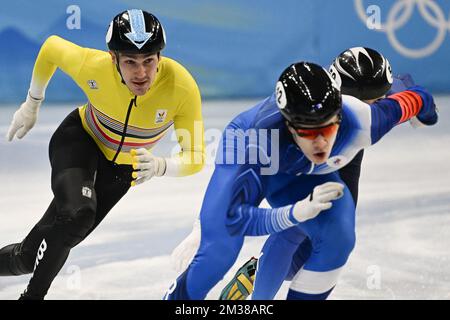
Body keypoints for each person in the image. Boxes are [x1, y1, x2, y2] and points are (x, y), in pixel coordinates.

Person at [164, 61, 437, 300]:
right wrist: (291, 213)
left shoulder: (365, 120)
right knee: (219, 251)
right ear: (289, 125)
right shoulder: (258, 141)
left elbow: (418, 97)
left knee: (337, 237)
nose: (320, 143)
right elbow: (239, 218)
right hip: (267, 157)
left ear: (340, 116)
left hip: (307, 167)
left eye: (328, 127)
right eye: (307, 131)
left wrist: (427, 115)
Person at [0, 9, 205, 300]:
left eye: (149, 60)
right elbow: (51, 48)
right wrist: (32, 102)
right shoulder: (93, 66)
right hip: (79, 141)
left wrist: (162, 166)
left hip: (120, 173)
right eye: (130, 62)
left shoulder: (182, 88)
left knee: (27, 257)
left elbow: (196, 156)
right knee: (77, 216)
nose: (142, 73)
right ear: (113, 59)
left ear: (160, 57)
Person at [219, 46, 397, 300]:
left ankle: (256, 271)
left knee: (303, 260)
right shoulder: (301, 105)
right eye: (371, 101)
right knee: (294, 233)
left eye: (381, 98)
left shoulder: (359, 105)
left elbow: (401, 96)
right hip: (301, 174)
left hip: (341, 170)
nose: (376, 108)